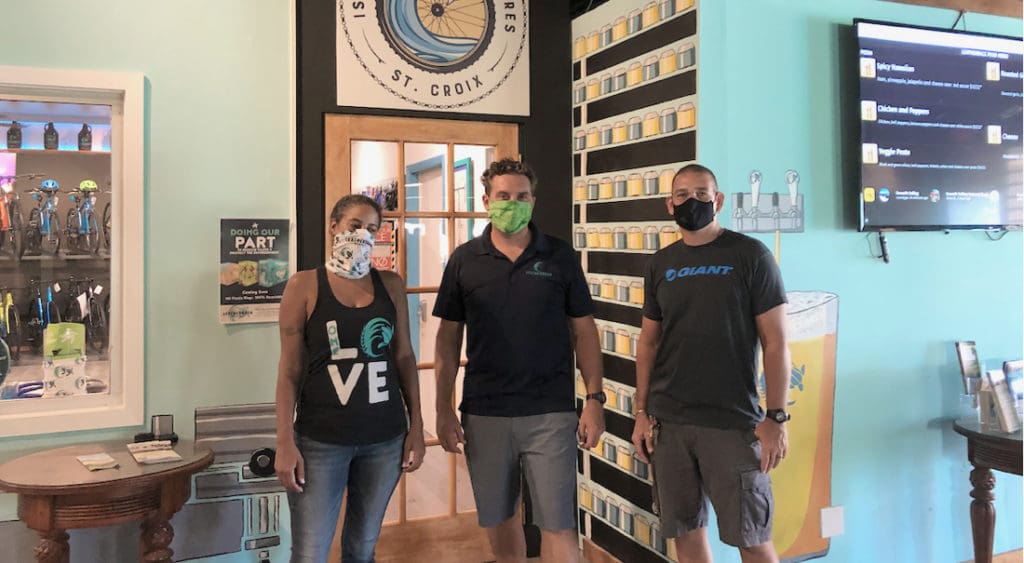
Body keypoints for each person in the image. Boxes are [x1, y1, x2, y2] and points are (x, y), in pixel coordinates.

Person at [433, 158, 604, 563]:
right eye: (504, 196)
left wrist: (594, 399)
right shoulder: (463, 260)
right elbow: (446, 341)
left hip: (551, 412)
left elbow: (585, 331)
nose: (513, 203)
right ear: (487, 200)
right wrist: (442, 407)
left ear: (533, 200)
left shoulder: (560, 257)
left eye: (521, 196)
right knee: (501, 520)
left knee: (559, 524)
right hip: (485, 413)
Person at [631, 164, 790, 563]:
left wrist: (777, 417)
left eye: (702, 193)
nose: (692, 201)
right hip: (670, 422)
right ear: (670, 204)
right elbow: (648, 343)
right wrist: (640, 413)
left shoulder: (750, 255)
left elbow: (776, 342)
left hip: (733, 423)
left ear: (717, 200)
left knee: (751, 538)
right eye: (682, 194)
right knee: (685, 533)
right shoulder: (660, 264)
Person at [275, 194, 426, 563]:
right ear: (334, 228)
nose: (362, 235)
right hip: (320, 441)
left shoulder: (390, 284)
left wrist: (417, 427)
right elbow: (289, 371)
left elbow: (404, 357)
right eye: (354, 226)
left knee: (362, 549)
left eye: (372, 229)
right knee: (310, 552)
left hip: (385, 439)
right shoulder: (304, 286)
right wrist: (283, 440)